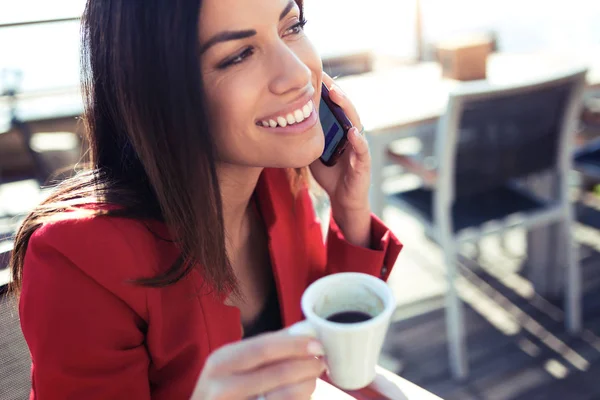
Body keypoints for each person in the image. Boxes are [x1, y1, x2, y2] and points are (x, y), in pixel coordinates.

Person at [10, 0, 402, 398]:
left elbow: (332, 351)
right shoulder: (76, 260)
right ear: (156, 92)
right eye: (239, 55)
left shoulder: (277, 179)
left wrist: (349, 207)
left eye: (292, 26)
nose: (299, 73)